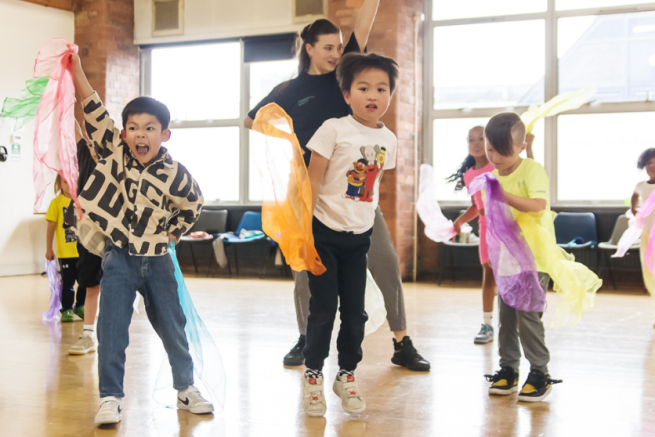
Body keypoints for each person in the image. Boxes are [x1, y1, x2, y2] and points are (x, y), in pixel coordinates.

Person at [245, 0, 429, 372]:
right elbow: (250, 120)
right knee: (305, 272)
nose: (336, 53)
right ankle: (304, 338)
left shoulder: (344, 80)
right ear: (309, 48)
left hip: (353, 192)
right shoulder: (290, 89)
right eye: (328, 47)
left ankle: (401, 340)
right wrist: (292, 145)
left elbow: (367, 17)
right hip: (308, 192)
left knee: (386, 261)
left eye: (339, 46)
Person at [70, 53, 213, 426]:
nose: (140, 135)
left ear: (164, 134)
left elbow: (194, 204)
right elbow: (93, 111)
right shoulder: (115, 155)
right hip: (119, 257)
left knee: (172, 325)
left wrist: (175, 232)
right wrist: (77, 70)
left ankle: (185, 387)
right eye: (133, 128)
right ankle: (110, 398)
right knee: (112, 328)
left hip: (159, 259)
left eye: (149, 128)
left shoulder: (176, 174)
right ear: (123, 134)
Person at [301, 52, 399, 416]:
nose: (372, 95)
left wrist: (368, 221)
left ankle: (346, 373)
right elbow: (311, 182)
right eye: (363, 88)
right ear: (346, 94)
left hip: (359, 238)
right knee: (324, 309)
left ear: (389, 94)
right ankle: (313, 376)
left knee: (355, 313)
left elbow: (374, 187)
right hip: (323, 233)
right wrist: (304, 234)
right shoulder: (332, 129)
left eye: (381, 88)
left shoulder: (388, 138)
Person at [482, 112, 561, 402]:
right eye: (491, 150)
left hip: (534, 258)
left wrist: (502, 194)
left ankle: (540, 372)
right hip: (506, 260)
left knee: (528, 318)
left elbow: (538, 205)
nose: (496, 157)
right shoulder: (492, 175)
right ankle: (508, 369)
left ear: (521, 146)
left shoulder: (532, 169)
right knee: (506, 318)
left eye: (503, 151)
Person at [449, 126, 496, 344]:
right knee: (488, 273)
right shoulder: (469, 175)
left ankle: (511, 320)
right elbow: (476, 206)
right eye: (471, 140)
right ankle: (487, 324)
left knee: (507, 274)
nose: (476, 143)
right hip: (486, 228)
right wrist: (460, 220)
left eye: (481, 138)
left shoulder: (498, 166)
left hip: (506, 227)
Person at [67, 122, 102, 354]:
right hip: (88, 231)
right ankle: (89, 335)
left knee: (119, 285)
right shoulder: (81, 152)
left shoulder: (116, 159)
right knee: (90, 283)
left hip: (114, 231)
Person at [45, 175, 86, 323]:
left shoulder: (82, 201)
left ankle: (81, 305)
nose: (69, 185)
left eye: (73, 181)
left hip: (82, 250)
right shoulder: (56, 203)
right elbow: (50, 228)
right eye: (65, 182)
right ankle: (67, 307)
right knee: (68, 282)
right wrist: (49, 249)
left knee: (84, 281)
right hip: (65, 252)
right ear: (59, 184)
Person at [631, 148, 655, 298]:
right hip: (647, 234)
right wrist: (633, 209)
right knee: (650, 270)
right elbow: (635, 196)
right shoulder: (641, 185)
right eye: (649, 163)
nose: (652, 166)